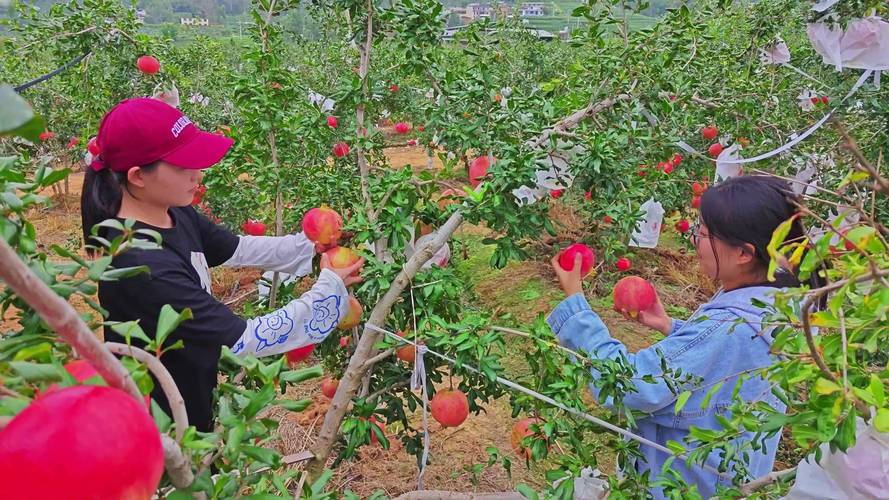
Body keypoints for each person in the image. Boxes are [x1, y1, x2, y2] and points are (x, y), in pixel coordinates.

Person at [80, 97, 364, 432]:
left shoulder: (173, 211)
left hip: (194, 392)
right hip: (160, 422)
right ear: (139, 176)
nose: (197, 175)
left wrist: (312, 243)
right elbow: (244, 338)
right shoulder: (139, 265)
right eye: (183, 166)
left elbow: (240, 249)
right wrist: (327, 289)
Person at [548, 175, 805, 498]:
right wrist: (672, 327)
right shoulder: (781, 308)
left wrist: (576, 307)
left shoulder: (727, 326)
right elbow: (721, 369)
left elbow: (629, 386)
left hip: (682, 486)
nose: (695, 241)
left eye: (705, 234)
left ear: (743, 253)